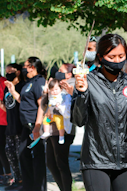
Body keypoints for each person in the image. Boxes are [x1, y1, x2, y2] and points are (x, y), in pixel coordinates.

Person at [71, 34, 127, 191]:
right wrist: (82, 94)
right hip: (96, 160)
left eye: (121, 56)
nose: (117, 60)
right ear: (100, 56)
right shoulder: (87, 81)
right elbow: (79, 120)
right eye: (111, 57)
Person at [4, 57, 47, 191]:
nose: (24, 68)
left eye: (26, 65)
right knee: (23, 155)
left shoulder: (39, 81)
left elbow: (42, 105)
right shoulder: (29, 82)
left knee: (38, 158)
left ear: (32, 67)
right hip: (26, 126)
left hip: (35, 125)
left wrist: (38, 126)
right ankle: (28, 186)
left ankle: (39, 187)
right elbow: (23, 100)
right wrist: (12, 91)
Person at [0, 63, 25, 190]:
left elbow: (23, 103)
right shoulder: (6, 88)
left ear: (18, 72)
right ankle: (17, 179)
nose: (8, 73)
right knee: (10, 153)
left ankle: (25, 181)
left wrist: (13, 91)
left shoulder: (22, 86)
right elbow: (6, 108)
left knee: (21, 155)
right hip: (10, 126)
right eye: (6, 71)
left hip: (20, 126)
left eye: (11, 71)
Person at [45, 63, 76, 191]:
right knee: (51, 164)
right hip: (52, 131)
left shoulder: (71, 88)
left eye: (61, 71)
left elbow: (69, 114)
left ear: (69, 74)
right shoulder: (55, 88)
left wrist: (59, 107)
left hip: (65, 131)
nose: (58, 72)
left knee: (61, 163)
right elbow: (47, 110)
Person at [41, 79, 72, 145]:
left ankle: (61, 136)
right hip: (51, 115)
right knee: (45, 121)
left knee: (60, 124)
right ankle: (46, 132)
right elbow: (47, 105)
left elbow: (65, 106)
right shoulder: (51, 96)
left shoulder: (63, 95)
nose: (54, 92)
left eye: (56, 89)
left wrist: (59, 105)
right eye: (52, 90)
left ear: (60, 88)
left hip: (59, 115)